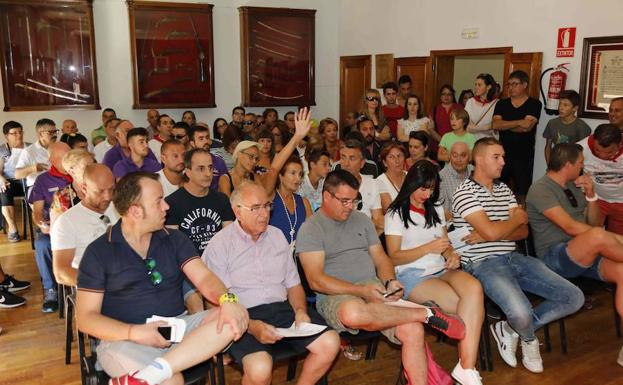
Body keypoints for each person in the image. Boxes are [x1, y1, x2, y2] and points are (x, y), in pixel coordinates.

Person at [75, 172, 249, 385]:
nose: (166, 206)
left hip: (177, 328)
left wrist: (227, 300)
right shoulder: (98, 253)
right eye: (158, 201)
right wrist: (135, 332)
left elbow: (204, 277)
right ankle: (163, 371)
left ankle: (156, 370)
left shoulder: (174, 239)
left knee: (234, 315)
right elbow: (85, 319)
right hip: (123, 339)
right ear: (135, 211)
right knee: (172, 381)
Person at [297, 169, 466, 385]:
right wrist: (361, 291)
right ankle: (424, 313)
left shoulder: (361, 220)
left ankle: (420, 319)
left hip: (372, 287)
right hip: (335, 295)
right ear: (326, 196)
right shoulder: (311, 228)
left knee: (413, 331)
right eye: (344, 201)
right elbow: (316, 280)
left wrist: (389, 281)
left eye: (354, 200)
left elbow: (381, 259)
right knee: (353, 313)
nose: (350, 207)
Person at [452, 137, 584, 373]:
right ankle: (529, 339)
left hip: (514, 258)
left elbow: (523, 231)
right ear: (479, 160)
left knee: (574, 297)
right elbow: (513, 224)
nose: (503, 161)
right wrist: (510, 221)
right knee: (521, 312)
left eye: (503, 156)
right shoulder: (464, 192)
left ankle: (511, 330)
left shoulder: (504, 189)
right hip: (483, 264)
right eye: (497, 157)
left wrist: (491, 233)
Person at [203, 182, 339, 385]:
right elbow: (216, 303)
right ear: (237, 212)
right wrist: (251, 326)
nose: (264, 213)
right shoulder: (220, 245)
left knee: (330, 343)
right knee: (260, 368)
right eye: (256, 208)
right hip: (242, 316)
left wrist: (301, 311)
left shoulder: (276, 236)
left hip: (282, 310)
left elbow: (293, 285)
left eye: (267, 206)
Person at [385, 160, 484, 385]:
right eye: (423, 188)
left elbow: (445, 243)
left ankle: (466, 367)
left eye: (432, 189)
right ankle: (468, 368)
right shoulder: (395, 213)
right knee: (466, 308)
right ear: (412, 184)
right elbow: (393, 256)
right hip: (413, 274)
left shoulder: (435, 207)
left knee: (474, 289)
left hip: (440, 268)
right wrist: (428, 248)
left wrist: (451, 254)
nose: (427, 194)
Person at [525, 142, 623, 365]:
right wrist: (614, 239)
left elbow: (593, 222)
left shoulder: (573, 185)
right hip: (555, 257)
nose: (583, 166)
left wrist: (591, 194)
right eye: (580, 163)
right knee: (598, 236)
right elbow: (570, 227)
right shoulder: (540, 189)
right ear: (567, 164)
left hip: (586, 253)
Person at [51, 164, 118, 287]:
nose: (108, 196)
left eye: (111, 189)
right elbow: (61, 273)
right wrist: (104, 284)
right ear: (84, 188)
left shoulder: (118, 207)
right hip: (96, 286)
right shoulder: (67, 222)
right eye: (100, 191)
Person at [29, 142, 71, 313]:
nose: (69, 162)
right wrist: (42, 224)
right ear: (52, 160)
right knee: (42, 244)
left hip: (78, 226)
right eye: (64, 158)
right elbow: (37, 211)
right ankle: (50, 289)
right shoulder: (43, 180)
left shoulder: (80, 175)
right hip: (55, 228)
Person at [165, 148, 234, 254]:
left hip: (219, 261)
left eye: (210, 168)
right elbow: (173, 247)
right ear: (188, 172)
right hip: (188, 264)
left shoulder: (222, 200)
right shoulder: (172, 203)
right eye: (201, 168)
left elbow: (229, 240)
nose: (208, 173)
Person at [492, 70, 542, 204]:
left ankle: (522, 220)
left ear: (524, 84)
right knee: (497, 189)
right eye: (509, 84)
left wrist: (506, 125)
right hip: (502, 155)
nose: (511, 87)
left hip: (523, 155)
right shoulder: (501, 103)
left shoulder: (534, 104)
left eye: (515, 84)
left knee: (522, 193)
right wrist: (519, 122)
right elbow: (496, 125)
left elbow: (527, 127)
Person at [578, 124, 623, 235]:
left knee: (617, 242)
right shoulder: (581, 148)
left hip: (621, 202)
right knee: (589, 235)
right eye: (597, 150)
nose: (602, 156)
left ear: (620, 144)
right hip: (596, 200)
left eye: (609, 152)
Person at [338, 138, 383, 234]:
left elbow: (378, 220)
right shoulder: (332, 184)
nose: (346, 164)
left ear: (362, 163)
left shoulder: (372, 184)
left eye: (352, 158)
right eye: (343, 157)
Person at [543, 90, 591, 165]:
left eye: (565, 105)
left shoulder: (582, 126)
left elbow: (583, 152)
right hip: (556, 164)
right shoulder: (552, 123)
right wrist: (549, 165)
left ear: (575, 108)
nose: (561, 108)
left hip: (573, 166)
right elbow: (548, 146)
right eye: (560, 104)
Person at [0, 121, 27, 241]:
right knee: (3, 189)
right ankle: (12, 228)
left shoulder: (29, 147)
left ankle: (40, 224)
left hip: (27, 180)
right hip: (10, 181)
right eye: (14, 133)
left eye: (20, 132)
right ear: (6, 135)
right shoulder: (2, 151)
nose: (19, 135)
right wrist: (1, 179)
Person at [15, 118, 57, 188]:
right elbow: (17, 175)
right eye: (51, 132)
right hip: (38, 187)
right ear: (40, 134)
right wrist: (32, 168)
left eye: (55, 131)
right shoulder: (29, 151)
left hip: (57, 186)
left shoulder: (59, 147)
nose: (54, 135)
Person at [439, 142, 472, 221]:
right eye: (455, 155)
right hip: (454, 226)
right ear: (450, 156)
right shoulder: (441, 177)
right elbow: (444, 213)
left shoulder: (475, 172)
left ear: (469, 157)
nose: (458, 160)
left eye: (463, 155)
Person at [189, 124, 227, 190]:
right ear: (192, 143)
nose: (206, 141)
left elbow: (224, 188)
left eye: (207, 137)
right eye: (201, 139)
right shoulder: (186, 162)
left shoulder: (219, 162)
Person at [465, 73, 498, 140]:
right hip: (471, 140)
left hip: (489, 142)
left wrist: (474, 128)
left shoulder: (497, 103)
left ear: (488, 87)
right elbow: (466, 125)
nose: (476, 87)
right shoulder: (470, 102)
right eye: (475, 84)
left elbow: (496, 127)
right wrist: (487, 127)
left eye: (479, 85)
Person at [430, 85, 463, 152]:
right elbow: (431, 129)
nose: (446, 96)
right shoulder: (435, 110)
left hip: (456, 145)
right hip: (438, 146)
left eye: (449, 94)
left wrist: (450, 143)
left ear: (453, 96)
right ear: (440, 96)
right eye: (444, 94)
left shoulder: (460, 108)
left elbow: (463, 126)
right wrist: (444, 142)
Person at [376, 143, 407, 214]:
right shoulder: (379, 182)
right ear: (384, 163)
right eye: (391, 157)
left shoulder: (411, 176)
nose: (397, 161)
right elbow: (389, 211)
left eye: (399, 156)